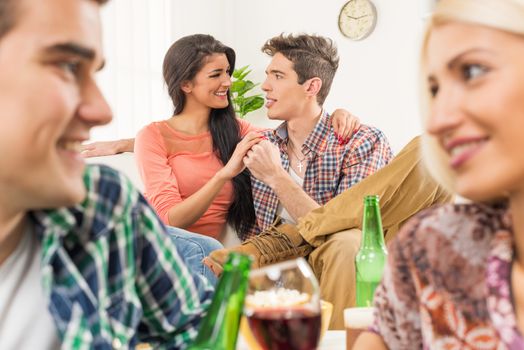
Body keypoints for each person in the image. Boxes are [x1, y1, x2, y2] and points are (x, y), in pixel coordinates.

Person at [0, 0, 212, 348]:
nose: (103, 110)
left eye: (93, 72)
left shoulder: (105, 204)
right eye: (67, 66)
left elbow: (199, 332)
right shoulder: (156, 136)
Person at [354, 0, 524, 348]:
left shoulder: (359, 138)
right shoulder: (430, 250)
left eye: (474, 71)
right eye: (434, 90)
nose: (436, 119)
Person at [83, 34, 359, 242]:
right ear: (185, 84)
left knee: (214, 254)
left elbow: (296, 128)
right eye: (216, 74)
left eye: (228, 72)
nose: (228, 82)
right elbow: (169, 219)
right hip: (166, 245)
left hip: (211, 254)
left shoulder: (239, 132)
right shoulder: (154, 136)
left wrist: (336, 113)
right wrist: (223, 174)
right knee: (207, 251)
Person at [240, 33, 393, 239]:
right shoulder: (262, 145)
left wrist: (276, 176)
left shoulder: (361, 142)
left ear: (311, 87)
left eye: (278, 76)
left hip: (332, 266)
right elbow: (253, 233)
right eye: (268, 75)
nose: (265, 86)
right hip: (274, 265)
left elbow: (347, 236)